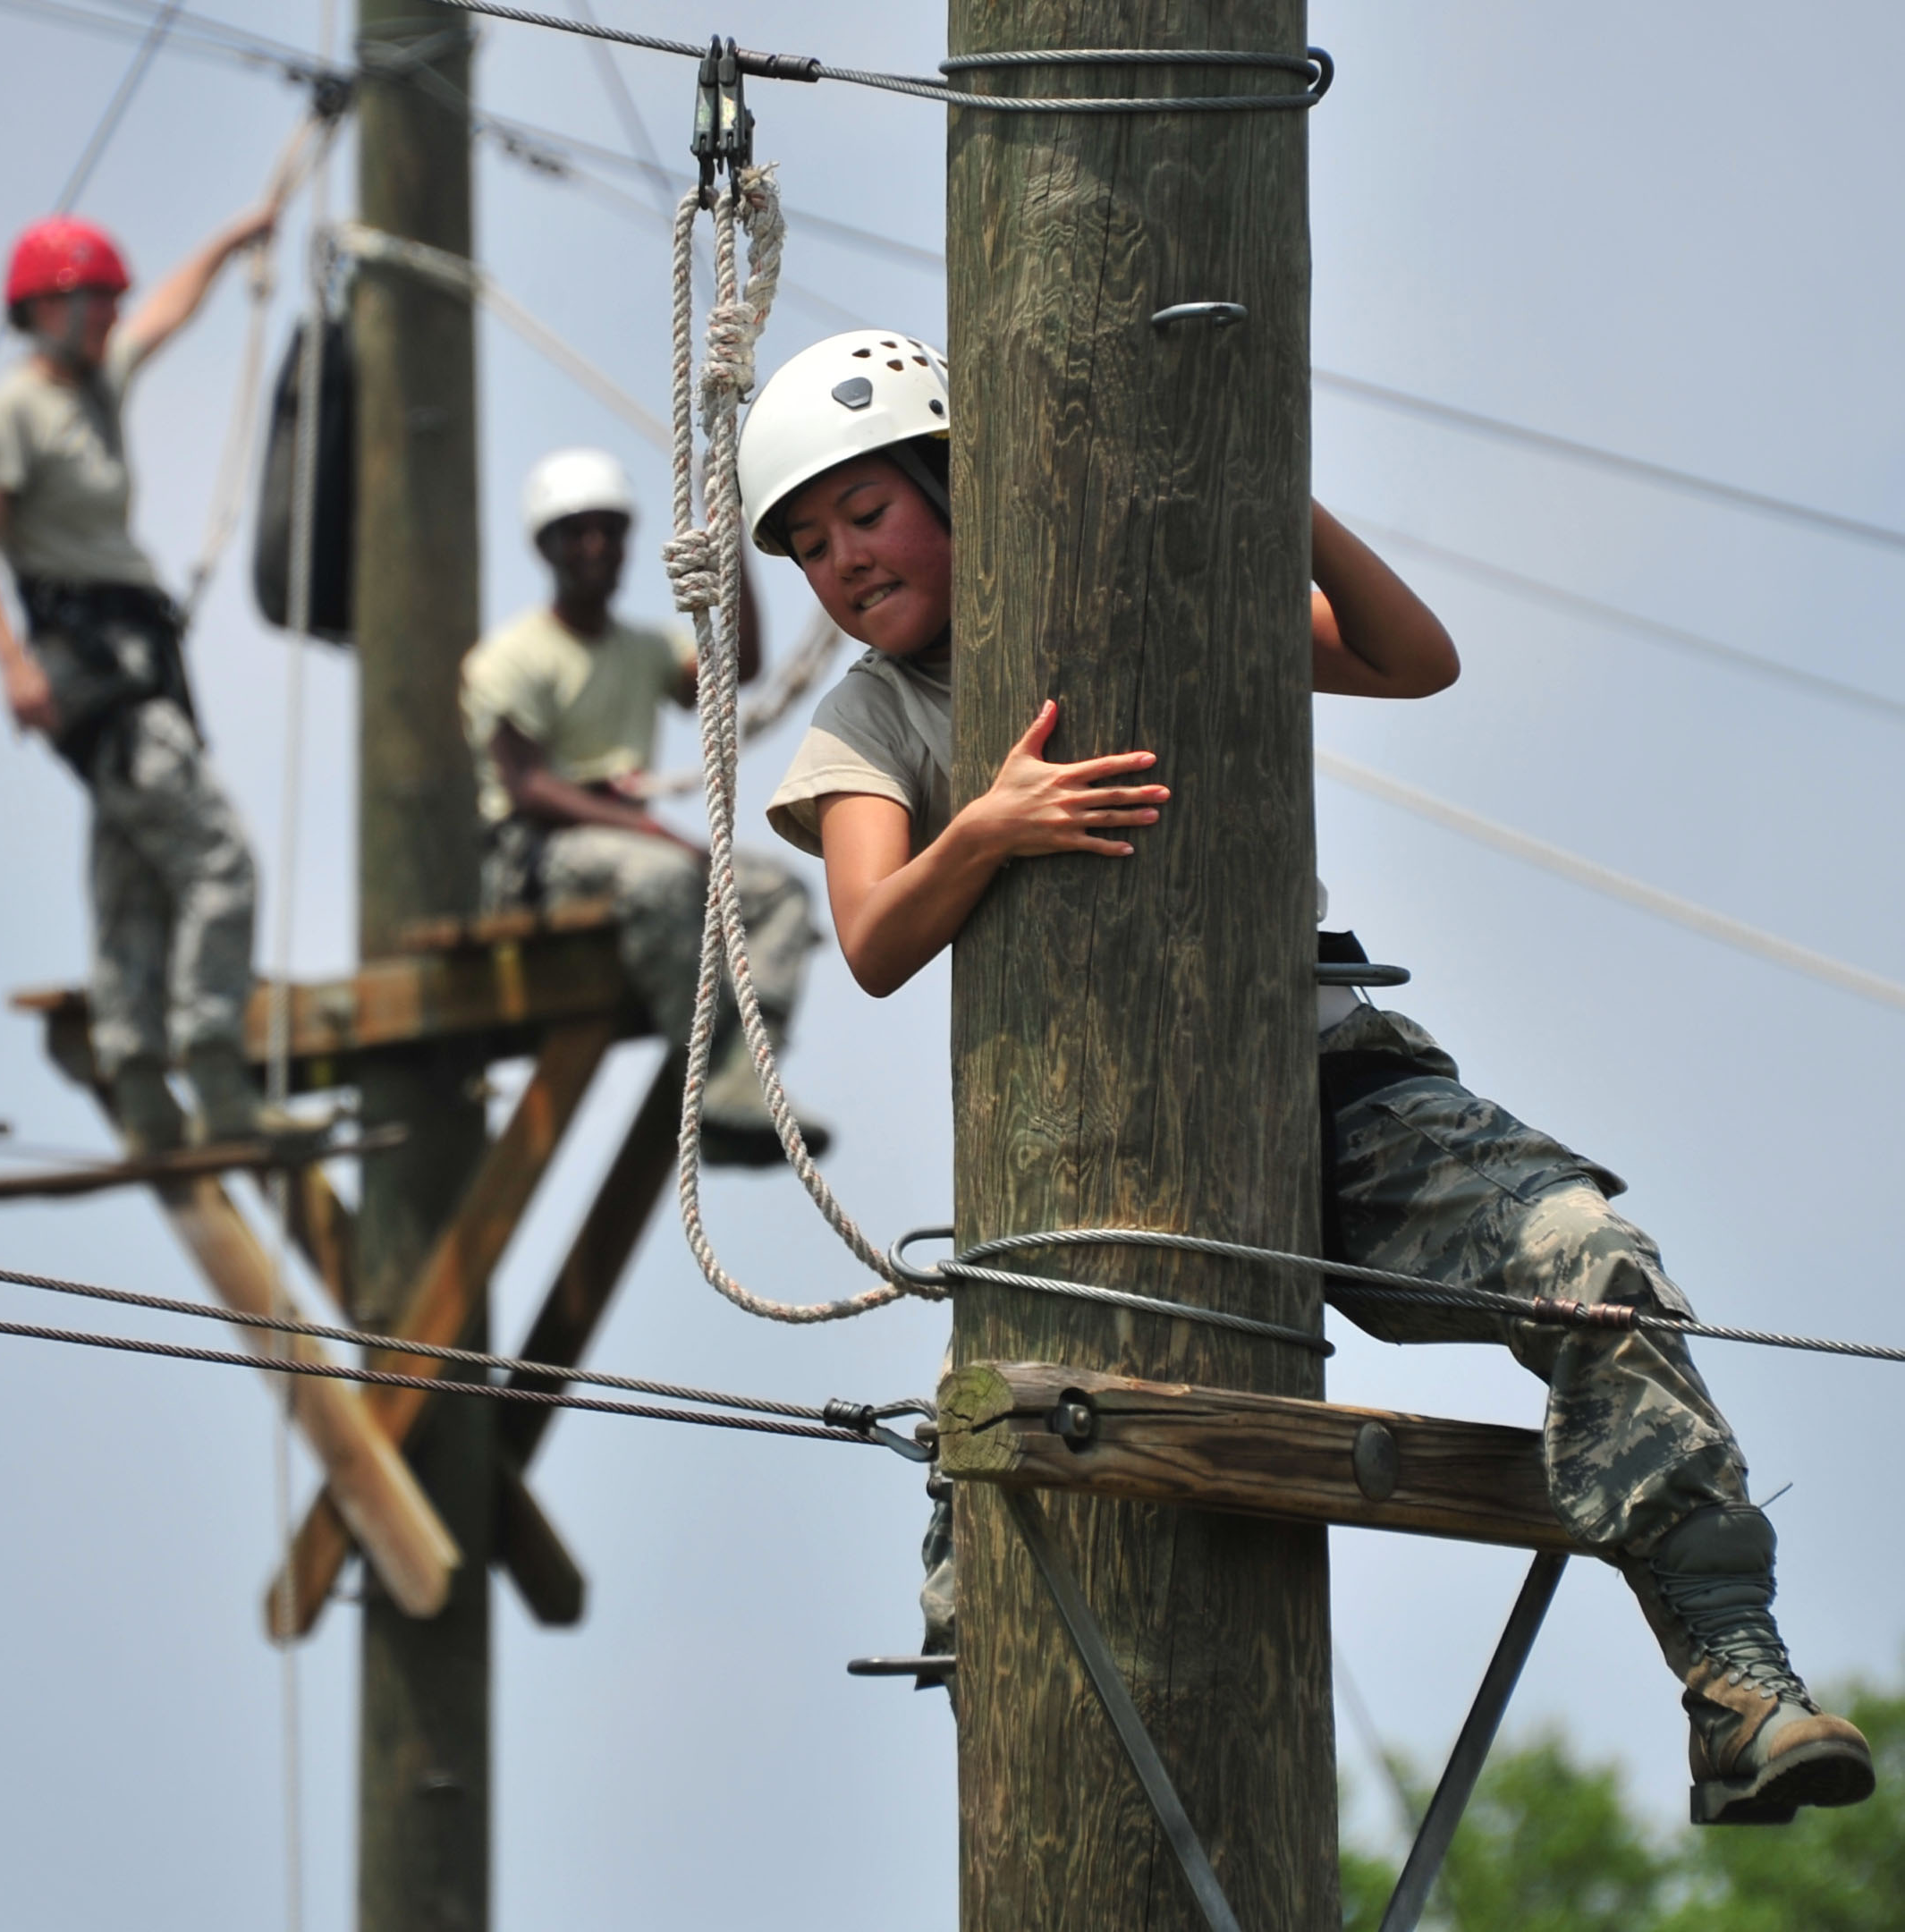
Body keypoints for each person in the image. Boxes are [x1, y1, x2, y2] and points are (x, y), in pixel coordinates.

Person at [741, 327, 1875, 1824]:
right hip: (1097, 1142)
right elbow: (876, 936)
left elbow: (1416, 660)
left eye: (865, 513)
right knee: (1015, 1465)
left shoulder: (1178, 600)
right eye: (808, 547)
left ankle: (1733, 1684)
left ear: (964, 485)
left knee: (1593, 1263)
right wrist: (991, 825)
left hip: (1334, 1084)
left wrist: (1278, 499)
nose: (841, 562)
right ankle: (1045, 1816)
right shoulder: (874, 719)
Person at [0, 206, 280, 1154]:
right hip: (94, 671)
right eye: (92, 302)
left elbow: (166, 311)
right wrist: (10, 662)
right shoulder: (13, 412)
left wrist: (231, 239)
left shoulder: (96, 384)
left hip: (132, 662)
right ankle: (213, 1066)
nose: (109, 317)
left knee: (132, 871)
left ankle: (140, 1085)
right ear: (45, 310)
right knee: (219, 861)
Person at [461, 447, 826, 1165]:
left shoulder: (640, 649)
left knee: (778, 891)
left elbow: (740, 663)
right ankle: (707, 1066)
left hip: (625, 842)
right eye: (576, 533)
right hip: (536, 855)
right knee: (663, 877)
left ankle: (744, 1070)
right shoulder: (511, 657)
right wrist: (649, 831)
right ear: (545, 547)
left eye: (609, 531)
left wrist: (730, 535)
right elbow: (528, 786)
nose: (595, 547)